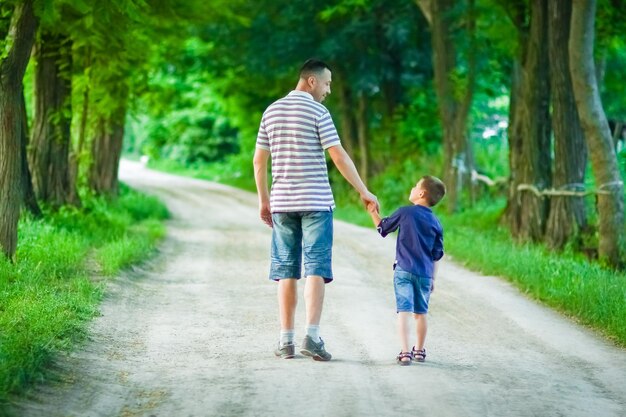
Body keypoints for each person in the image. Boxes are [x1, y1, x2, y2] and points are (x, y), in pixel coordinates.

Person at [253, 59, 379, 361]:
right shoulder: (318, 112)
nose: (329, 90)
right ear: (311, 81)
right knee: (316, 268)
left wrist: (264, 200)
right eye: (327, 83)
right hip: (316, 203)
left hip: (282, 204)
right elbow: (338, 155)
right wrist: (363, 191)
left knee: (286, 271)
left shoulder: (271, 111)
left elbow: (259, 162)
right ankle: (312, 336)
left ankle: (285, 341)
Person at [367, 175, 445, 365]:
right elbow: (436, 255)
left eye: (415, 185)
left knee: (404, 311)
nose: (412, 188)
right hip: (425, 274)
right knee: (421, 313)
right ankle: (419, 351)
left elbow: (383, 229)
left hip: (403, 270)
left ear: (421, 193)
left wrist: (372, 212)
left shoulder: (405, 212)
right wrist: (433, 279)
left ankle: (404, 352)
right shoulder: (436, 223)